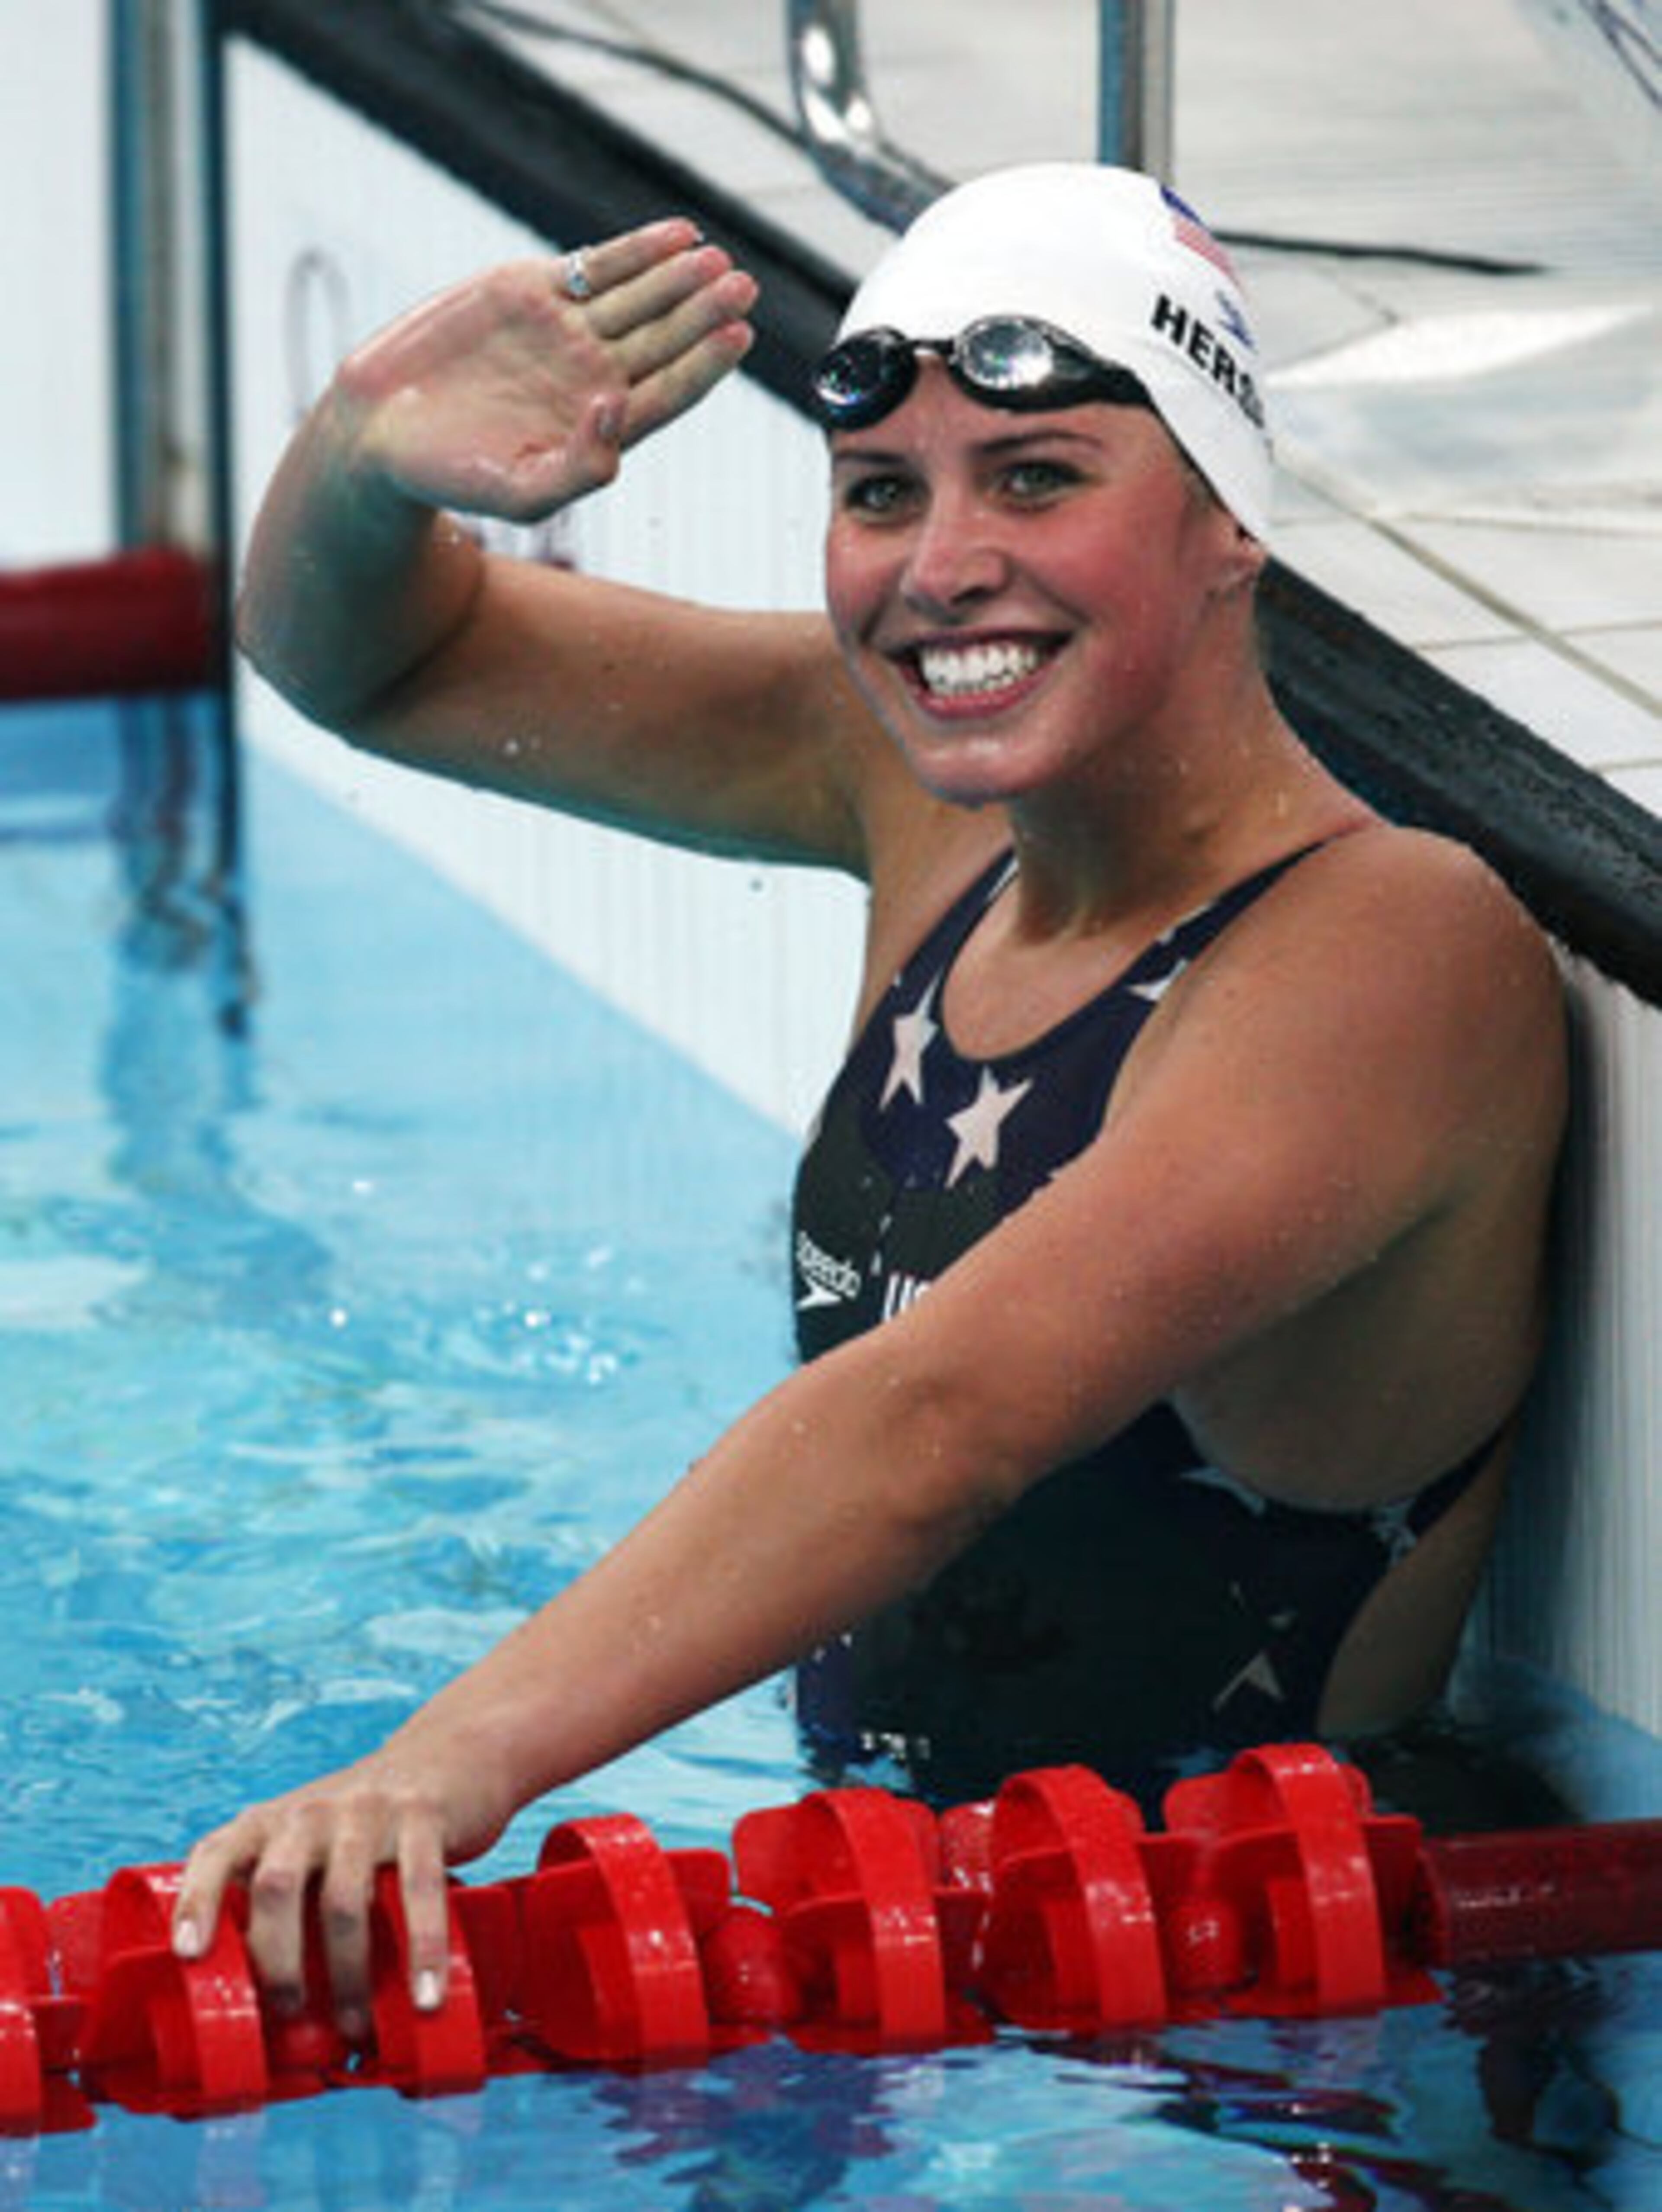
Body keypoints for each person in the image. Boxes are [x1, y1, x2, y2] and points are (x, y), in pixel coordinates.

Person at [171, 165, 1565, 2037]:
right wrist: (360, 450)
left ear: (1234, 523)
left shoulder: (1393, 952)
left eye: (1040, 478)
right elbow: (374, 662)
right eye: (881, 494)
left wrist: (439, 1769)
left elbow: (940, 1421)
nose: (941, 566)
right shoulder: (916, 795)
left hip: (1256, 2047)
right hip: (884, 1931)